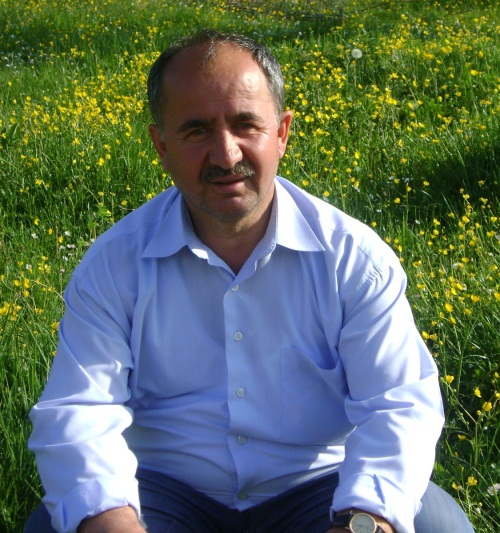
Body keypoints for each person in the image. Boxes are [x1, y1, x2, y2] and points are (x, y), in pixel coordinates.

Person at [25, 30, 474, 533]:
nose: (225, 154)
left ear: (281, 133)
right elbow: (80, 408)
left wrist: (364, 519)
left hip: (317, 488)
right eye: (197, 130)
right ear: (161, 146)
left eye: (245, 124)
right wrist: (112, 521)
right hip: (162, 492)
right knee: (58, 524)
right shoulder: (114, 265)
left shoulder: (353, 259)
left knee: (437, 525)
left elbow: (398, 404)